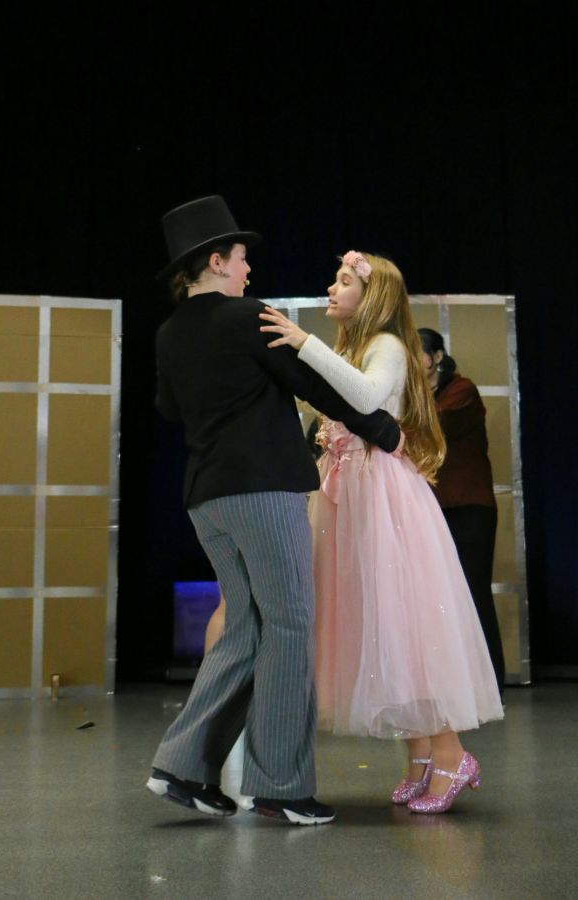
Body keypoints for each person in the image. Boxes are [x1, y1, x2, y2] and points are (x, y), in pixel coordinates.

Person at [146, 197, 402, 826]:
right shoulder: (247, 316)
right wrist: (384, 430)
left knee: (245, 627)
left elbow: (169, 408)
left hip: (206, 499)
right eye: (240, 259)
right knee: (289, 625)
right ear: (215, 261)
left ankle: (182, 766)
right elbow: (315, 384)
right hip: (262, 491)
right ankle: (280, 788)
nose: (247, 270)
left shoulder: (169, 332)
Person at [259, 251, 504, 815]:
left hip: (380, 494)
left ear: (371, 297)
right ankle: (419, 754)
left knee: (404, 621)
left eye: (344, 280)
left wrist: (304, 343)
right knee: (377, 622)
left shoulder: (388, 346)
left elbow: (368, 398)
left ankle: (451, 752)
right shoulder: (355, 347)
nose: (332, 287)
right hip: (349, 490)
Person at [418, 328, 506, 698]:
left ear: (437, 357)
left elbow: (433, 426)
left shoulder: (462, 390)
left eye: (417, 352)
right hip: (434, 509)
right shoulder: (415, 394)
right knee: (441, 598)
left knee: (474, 593)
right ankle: (456, 687)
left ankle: (492, 686)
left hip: (470, 507)